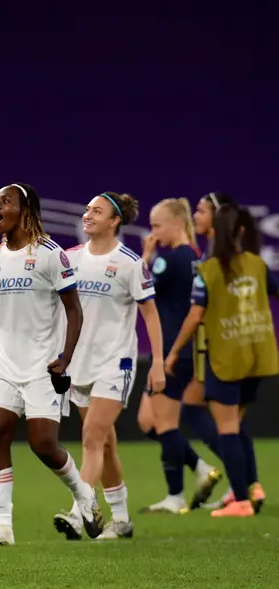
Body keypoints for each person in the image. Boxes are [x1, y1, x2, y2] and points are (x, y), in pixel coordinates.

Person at [0, 183, 102, 547]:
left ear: (24, 209)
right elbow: (0, 315)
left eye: (4, 202)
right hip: (4, 362)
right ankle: (3, 528)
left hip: (43, 365)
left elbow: (75, 311)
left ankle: (84, 494)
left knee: (43, 444)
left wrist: (66, 358)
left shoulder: (50, 255)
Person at [51, 192, 164, 541]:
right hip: (78, 365)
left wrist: (158, 363)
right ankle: (121, 519)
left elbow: (150, 314)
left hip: (115, 362)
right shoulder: (68, 258)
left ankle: (77, 512)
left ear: (114, 220)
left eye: (96, 211)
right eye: (86, 210)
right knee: (106, 445)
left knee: (92, 438)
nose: (88, 215)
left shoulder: (130, 263)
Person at [165, 202, 278, 517]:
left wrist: (173, 352)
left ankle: (241, 499)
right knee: (234, 424)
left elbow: (196, 315)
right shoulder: (257, 264)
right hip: (259, 356)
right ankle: (250, 487)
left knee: (227, 428)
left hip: (226, 358)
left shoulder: (209, 270)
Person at [136, 198, 221, 514]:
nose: (154, 233)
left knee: (164, 423)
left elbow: (140, 291)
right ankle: (198, 469)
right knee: (149, 420)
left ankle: (178, 494)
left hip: (170, 351)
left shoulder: (167, 261)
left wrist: (146, 256)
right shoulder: (198, 259)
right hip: (189, 352)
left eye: (157, 226)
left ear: (175, 224)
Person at [188, 193, 266, 510]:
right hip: (225, 347)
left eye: (202, 210)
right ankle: (249, 485)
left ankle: (242, 487)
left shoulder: (225, 259)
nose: (196, 214)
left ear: (218, 217)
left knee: (204, 413)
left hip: (221, 349)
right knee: (230, 420)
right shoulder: (214, 254)